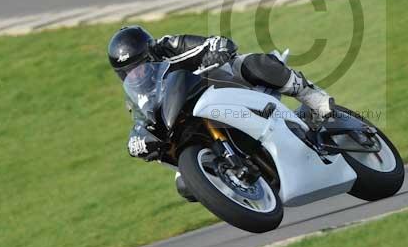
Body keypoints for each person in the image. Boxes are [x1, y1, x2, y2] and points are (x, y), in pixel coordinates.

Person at [107, 26, 334, 163]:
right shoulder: (135, 99)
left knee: (251, 63)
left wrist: (216, 51)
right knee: (185, 187)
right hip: (191, 122)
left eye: (140, 66)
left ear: (151, 54)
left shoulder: (170, 45)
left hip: (222, 85)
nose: (136, 75)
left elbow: (217, 42)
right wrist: (140, 144)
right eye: (128, 72)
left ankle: (317, 101)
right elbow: (142, 124)